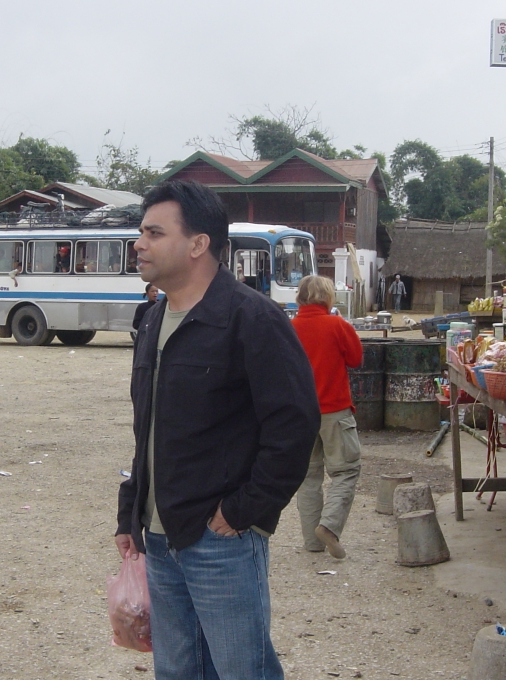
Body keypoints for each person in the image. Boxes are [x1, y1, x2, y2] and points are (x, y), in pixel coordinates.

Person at [115, 180, 319, 679]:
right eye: (141, 231)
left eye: (154, 232)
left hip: (220, 540)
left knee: (241, 670)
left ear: (198, 243)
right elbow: (152, 429)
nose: (139, 243)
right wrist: (130, 510)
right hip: (159, 540)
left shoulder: (252, 318)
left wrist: (245, 508)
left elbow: (295, 425)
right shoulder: (153, 320)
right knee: (178, 671)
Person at [291, 276, 364, 559]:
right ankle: (329, 526)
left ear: (300, 298)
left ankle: (312, 540)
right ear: (328, 298)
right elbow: (356, 359)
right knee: (345, 471)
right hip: (334, 410)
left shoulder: (290, 328)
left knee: (308, 477)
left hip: (299, 415)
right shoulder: (337, 325)